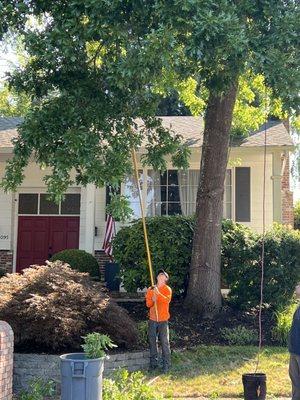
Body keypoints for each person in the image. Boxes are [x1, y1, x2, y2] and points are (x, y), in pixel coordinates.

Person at [145, 269, 172, 373]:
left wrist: (158, 294)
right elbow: (148, 304)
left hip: (163, 320)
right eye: (159, 274)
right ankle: (153, 364)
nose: (161, 275)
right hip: (152, 320)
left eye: (163, 274)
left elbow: (167, 300)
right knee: (152, 342)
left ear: (166, 278)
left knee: (164, 342)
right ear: (156, 277)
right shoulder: (150, 289)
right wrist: (153, 299)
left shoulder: (167, 289)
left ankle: (166, 365)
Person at [289, 284, 300, 400]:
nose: (296, 286)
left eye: (299, 285)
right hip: (294, 351)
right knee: (295, 381)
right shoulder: (298, 308)